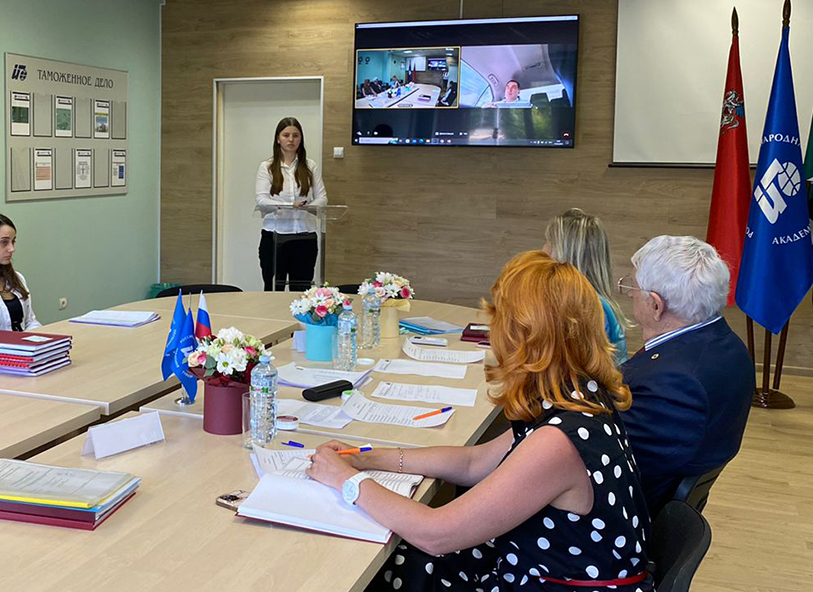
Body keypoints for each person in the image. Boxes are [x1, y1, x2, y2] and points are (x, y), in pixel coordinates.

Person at [307, 251, 653, 591]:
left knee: (389, 566)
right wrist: (367, 457)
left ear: (523, 338)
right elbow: (475, 461)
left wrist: (347, 482)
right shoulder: (579, 397)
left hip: (550, 585)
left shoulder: (558, 442)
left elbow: (436, 534)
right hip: (542, 571)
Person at [617, 235, 754, 516]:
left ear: (656, 305)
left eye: (633, 287)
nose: (630, 294)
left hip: (628, 514)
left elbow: (607, 460)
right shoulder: (728, 345)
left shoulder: (673, 384)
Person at [543, 208, 630, 365]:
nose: (543, 250)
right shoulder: (590, 301)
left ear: (565, 254)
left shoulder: (587, 306)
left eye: (549, 243)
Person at [254, 117, 327, 291]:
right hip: (274, 237)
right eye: (286, 135)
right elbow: (261, 200)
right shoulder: (267, 166)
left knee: (301, 291)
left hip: (304, 236)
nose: (291, 139)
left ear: (301, 139)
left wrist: (307, 207)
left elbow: (322, 197)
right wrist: (290, 204)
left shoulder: (310, 166)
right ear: (278, 138)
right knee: (273, 289)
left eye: (295, 135)